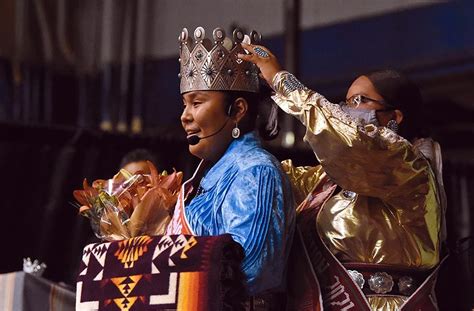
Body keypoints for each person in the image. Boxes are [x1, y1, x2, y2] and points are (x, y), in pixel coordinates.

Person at [239, 44, 446, 310]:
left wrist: (282, 81)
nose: (346, 112)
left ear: (395, 117)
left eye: (358, 101)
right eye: (345, 103)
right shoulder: (327, 181)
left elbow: (351, 141)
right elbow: (270, 177)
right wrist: (239, 123)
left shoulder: (409, 168)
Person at [166, 27, 295, 299]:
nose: (184, 117)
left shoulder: (256, 171)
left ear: (237, 110)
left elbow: (250, 270)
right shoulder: (209, 174)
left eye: (196, 103)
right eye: (184, 105)